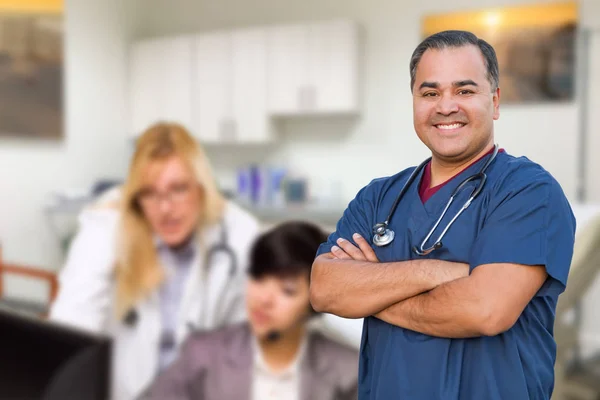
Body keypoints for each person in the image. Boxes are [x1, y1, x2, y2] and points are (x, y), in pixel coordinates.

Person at [309, 30, 576, 400]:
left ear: (495, 102)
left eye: (464, 91)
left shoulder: (528, 192)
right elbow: (323, 289)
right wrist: (438, 272)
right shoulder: (377, 198)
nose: (445, 106)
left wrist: (370, 290)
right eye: (430, 93)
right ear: (415, 102)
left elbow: (485, 310)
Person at [50, 122, 261, 400]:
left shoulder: (237, 234)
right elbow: (68, 336)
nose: (164, 208)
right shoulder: (109, 229)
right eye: (149, 193)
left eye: (178, 189)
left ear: (201, 187)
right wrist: (99, 239)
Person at [142, 221, 359, 400]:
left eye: (287, 290)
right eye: (258, 278)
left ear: (315, 303)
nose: (263, 299)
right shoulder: (201, 356)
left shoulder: (349, 372)